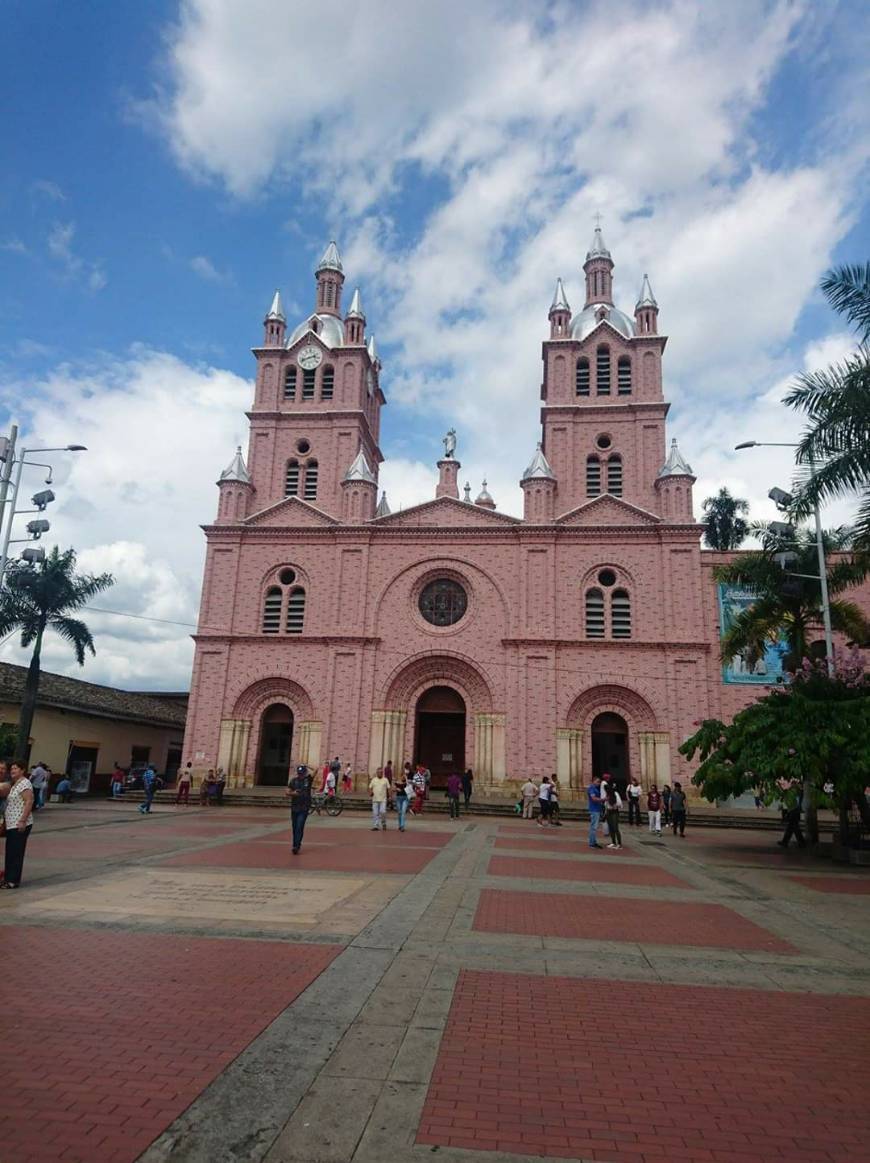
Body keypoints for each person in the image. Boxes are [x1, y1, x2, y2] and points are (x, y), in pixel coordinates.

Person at [2, 762, 33, 888]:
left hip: (19, 823)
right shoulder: (15, 784)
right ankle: (8, 878)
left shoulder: (25, 783)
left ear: (22, 770)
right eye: (12, 768)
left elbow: (29, 802)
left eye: (16, 768)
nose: (13, 770)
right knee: (10, 851)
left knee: (16, 852)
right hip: (11, 824)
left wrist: (22, 820)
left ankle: (13, 880)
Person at [286, 764, 312, 854]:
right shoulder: (293, 781)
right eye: (299, 773)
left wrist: (307, 765)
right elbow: (287, 792)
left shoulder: (308, 780)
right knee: (295, 827)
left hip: (304, 808)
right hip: (295, 808)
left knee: (299, 826)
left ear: (305, 773)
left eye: (302, 773)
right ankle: (295, 844)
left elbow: (316, 769)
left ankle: (296, 846)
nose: (300, 775)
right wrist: (293, 793)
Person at [604, 782, 623, 849]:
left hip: (614, 812)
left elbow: (620, 804)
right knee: (611, 828)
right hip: (609, 812)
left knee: (615, 828)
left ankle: (619, 844)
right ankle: (613, 842)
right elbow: (606, 805)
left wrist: (614, 806)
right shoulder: (607, 795)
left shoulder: (615, 794)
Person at [587, 776, 603, 848]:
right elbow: (593, 798)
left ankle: (593, 841)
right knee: (594, 827)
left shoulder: (595, 788)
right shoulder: (591, 788)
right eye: (597, 781)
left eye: (599, 782)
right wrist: (603, 799)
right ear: (593, 781)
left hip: (597, 809)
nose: (599, 783)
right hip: (594, 809)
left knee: (594, 827)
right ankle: (592, 843)